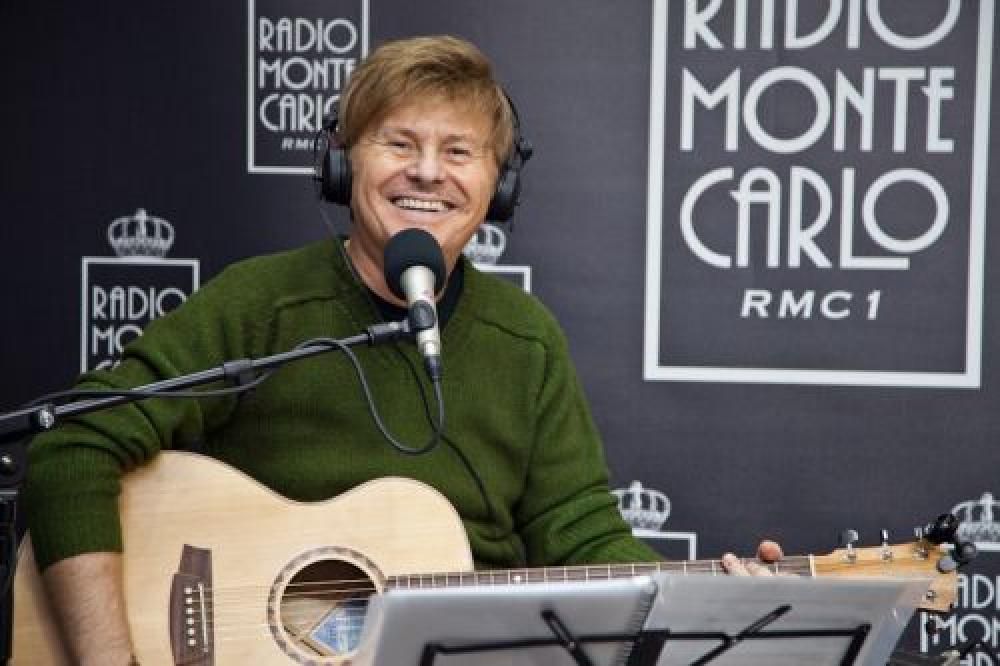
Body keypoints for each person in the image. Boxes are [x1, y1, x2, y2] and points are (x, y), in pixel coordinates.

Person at [24, 35, 780, 665]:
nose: (427, 172)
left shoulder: (525, 339)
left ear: (498, 187)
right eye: (399, 143)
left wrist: (717, 590)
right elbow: (74, 445)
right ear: (342, 164)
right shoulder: (262, 305)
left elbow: (581, 534)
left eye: (459, 150)